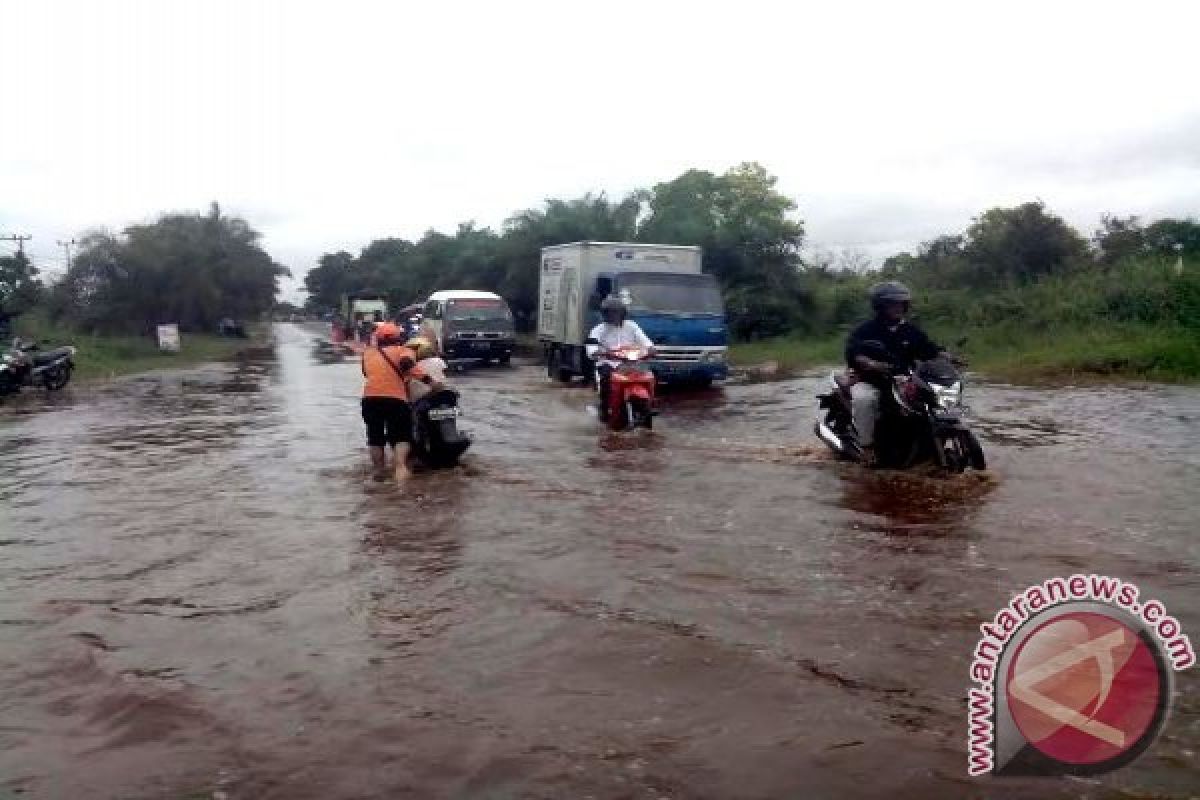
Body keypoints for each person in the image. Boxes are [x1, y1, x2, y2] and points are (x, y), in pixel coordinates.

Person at [844, 281, 947, 462]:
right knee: (864, 399)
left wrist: (947, 357)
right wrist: (869, 363)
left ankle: (925, 443)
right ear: (880, 306)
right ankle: (867, 447)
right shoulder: (865, 330)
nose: (898, 307)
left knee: (929, 401)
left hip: (904, 381)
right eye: (892, 304)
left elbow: (928, 349)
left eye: (901, 303)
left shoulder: (911, 330)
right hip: (871, 381)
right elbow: (854, 352)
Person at [360, 322, 435, 480]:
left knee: (375, 438)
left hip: (370, 399)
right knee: (401, 437)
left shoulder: (368, 353)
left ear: (378, 338)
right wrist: (431, 382)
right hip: (395, 399)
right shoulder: (404, 350)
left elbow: (366, 374)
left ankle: (379, 471)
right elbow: (407, 365)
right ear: (398, 337)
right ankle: (400, 468)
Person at [585, 295, 655, 421]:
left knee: (648, 374)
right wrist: (597, 352)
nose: (614, 316)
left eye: (617, 312)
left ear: (623, 313)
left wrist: (651, 348)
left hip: (630, 362)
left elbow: (644, 340)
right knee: (606, 379)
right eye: (610, 313)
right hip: (607, 363)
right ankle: (604, 409)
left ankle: (647, 404)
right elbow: (591, 347)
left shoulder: (632, 326)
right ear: (604, 314)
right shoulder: (597, 330)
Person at [404, 337, 449, 403]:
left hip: (419, 396)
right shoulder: (439, 360)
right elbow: (445, 374)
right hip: (441, 391)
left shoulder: (413, 366)